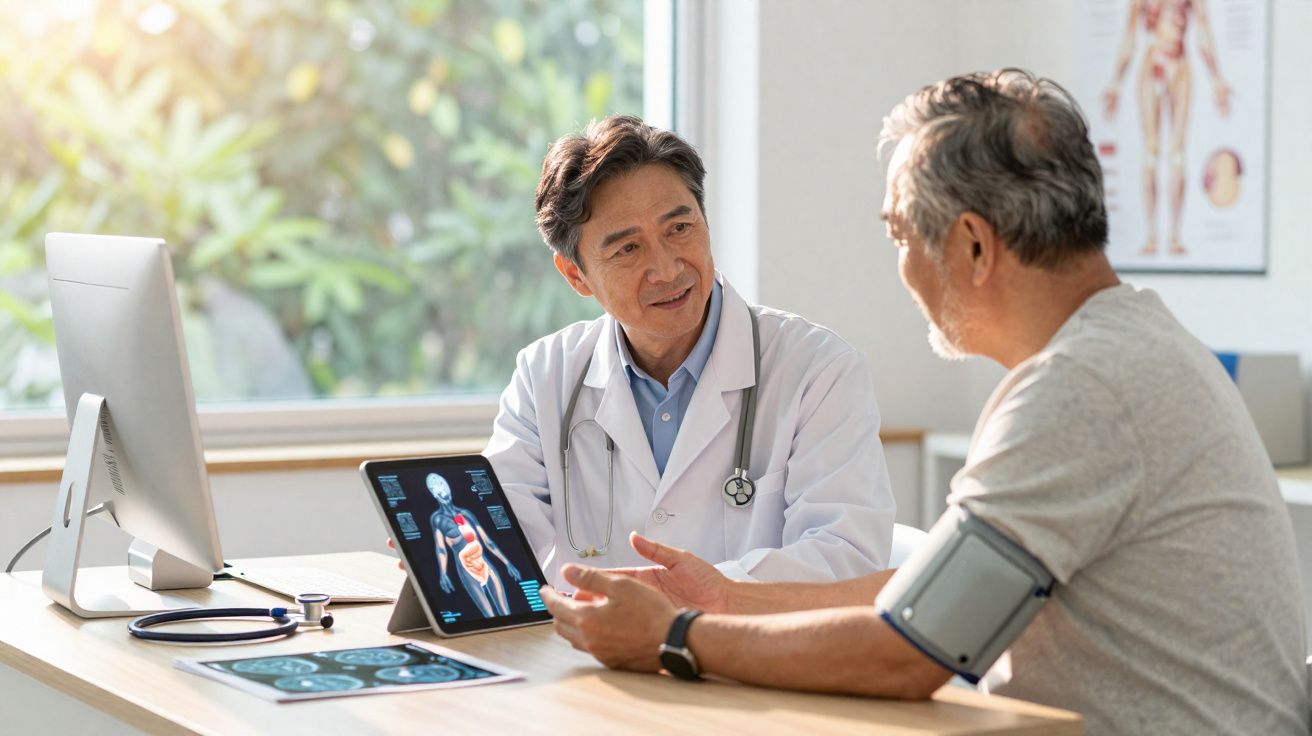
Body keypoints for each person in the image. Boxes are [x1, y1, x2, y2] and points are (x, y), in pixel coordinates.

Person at [540, 70, 1309, 735]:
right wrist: (730, 598)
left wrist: (677, 635)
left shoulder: (1081, 389)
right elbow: (936, 592)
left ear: (971, 245)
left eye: (901, 234)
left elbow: (911, 649)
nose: (901, 267)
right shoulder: (1128, 341)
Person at [484, 115, 896, 588]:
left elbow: (846, 558)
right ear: (576, 275)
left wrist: (679, 598)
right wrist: (451, 557)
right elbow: (499, 537)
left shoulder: (818, 371)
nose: (666, 268)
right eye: (628, 249)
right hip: (590, 655)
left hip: (749, 656)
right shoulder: (546, 375)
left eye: (680, 228)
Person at [1102, 0, 1232, 256]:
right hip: (1152, 66)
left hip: (1180, 65)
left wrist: (1217, 79)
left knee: (1177, 153)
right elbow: (1130, 37)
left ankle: (1174, 234)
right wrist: (1116, 82)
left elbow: (1204, 33)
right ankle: (1152, 233)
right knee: (1151, 152)